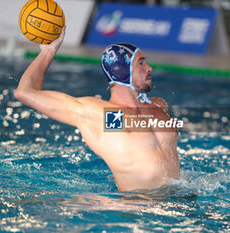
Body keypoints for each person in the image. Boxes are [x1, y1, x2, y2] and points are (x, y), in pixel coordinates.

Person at [14, 26, 180, 191]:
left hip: (178, 198)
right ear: (121, 70)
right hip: (135, 207)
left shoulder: (159, 106)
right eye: (141, 63)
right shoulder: (97, 113)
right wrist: (48, 52)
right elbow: (25, 92)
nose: (149, 68)